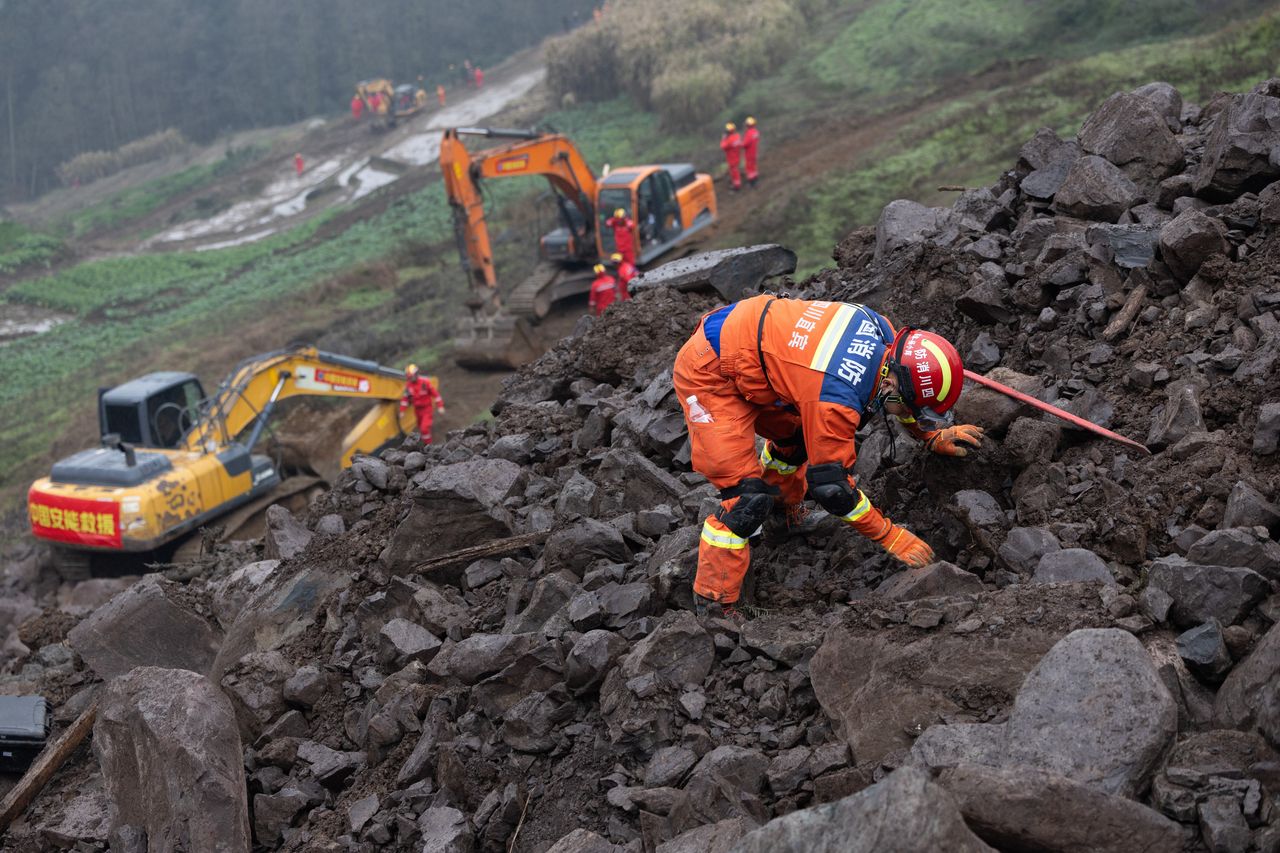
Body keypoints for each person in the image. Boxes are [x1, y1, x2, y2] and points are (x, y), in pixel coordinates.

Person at [672, 295, 985, 619]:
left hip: (756, 348)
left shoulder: (885, 334)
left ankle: (782, 509)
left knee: (796, 441)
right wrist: (889, 535)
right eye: (910, 408)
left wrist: (929, 434)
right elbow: (833, 489)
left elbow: (897, 400)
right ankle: (715, 605)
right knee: (745, 502)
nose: (908, 415)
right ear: (891, 383)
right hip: (709, 369)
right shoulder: (835, 399)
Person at [400, 365, 445, 443]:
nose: (411, 378)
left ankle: (428, 446)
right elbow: (405, 399)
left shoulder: (425, 383)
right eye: (409, 377)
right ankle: (425, 443)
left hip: (427, 409)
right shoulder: (408, 386)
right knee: (420, 428)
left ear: (416, 374)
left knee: (424, 429)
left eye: (411, 376)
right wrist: (402, 411)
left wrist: (440, 406)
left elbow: (436, 394)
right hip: (417, 411)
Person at [721, 123, 743, 191]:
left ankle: (737, 186)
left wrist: (724, 139)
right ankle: (736, 184)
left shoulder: (729, 140)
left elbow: (723, 147)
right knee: (735, 171)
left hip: (732, 158)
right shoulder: (737, 136)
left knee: (734, 172)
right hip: (737, 156)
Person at [742, 116, 761, 188]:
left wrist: (741, 143)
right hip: (755, 152)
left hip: (749, 153)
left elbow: (745, 144)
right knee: (753, 166)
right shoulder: (756, 132)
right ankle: (756, 178)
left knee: (749, 168)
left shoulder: (749, 133)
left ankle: (752, 182)